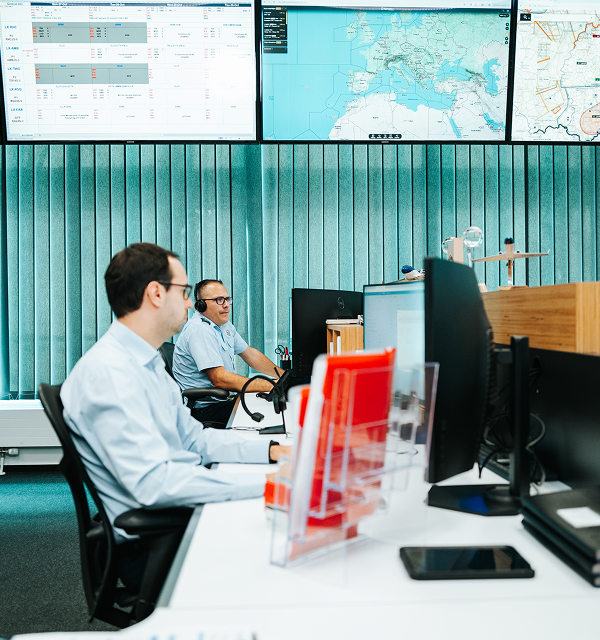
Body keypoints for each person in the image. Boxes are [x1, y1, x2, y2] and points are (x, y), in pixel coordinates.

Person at [60, 243, 289, 585]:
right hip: (157, 543)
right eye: (183, 291)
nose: (188, 302)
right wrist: (275, 484)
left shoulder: (148, 363)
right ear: (155, 294)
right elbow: (156, 485)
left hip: (179, 512)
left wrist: (275, 452)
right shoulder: (109, 374)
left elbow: (195, 439)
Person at [172, 279, 286, 427]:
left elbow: (250, 354)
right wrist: (269, 385)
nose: (226, 304)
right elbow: (219, 379)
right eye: (219, 300)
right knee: (270, 416)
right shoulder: (199, 330)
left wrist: (283, 377)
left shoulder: (224, 326)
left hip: (224, 401)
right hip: (206, 410)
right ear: (201, 305)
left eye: (227, 299)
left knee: (270, 407)